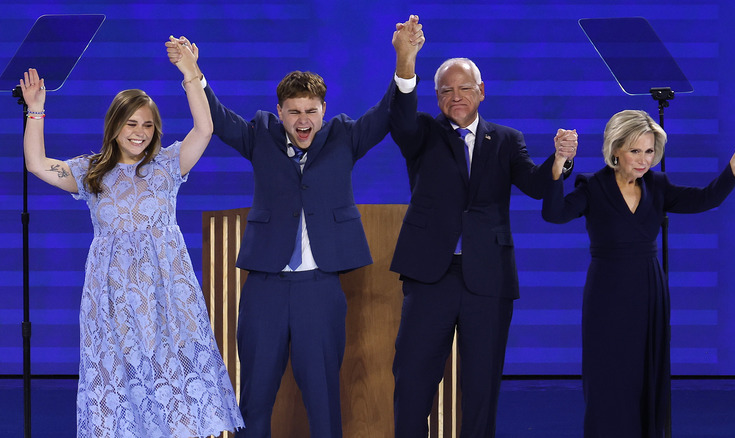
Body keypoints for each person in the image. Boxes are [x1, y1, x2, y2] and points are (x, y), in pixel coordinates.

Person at [165, 16, 425, 438]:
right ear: (281, 112)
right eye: (294, 112)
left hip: (319, 289)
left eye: (311, 111)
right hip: (264, 287)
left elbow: (389, 113)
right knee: (254, 400)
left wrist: (405, 61)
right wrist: (192, 73)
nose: (303, 120)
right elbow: (217, 116)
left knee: (323, 399)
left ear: (323, 110)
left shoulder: (345, 136)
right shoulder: (260, 136)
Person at [19, 37, 244, 438]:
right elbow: (36, 164)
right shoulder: (91, 172)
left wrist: (190, 72)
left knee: (170, 375)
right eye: (131, 123)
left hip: (166, 296)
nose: (139, 132)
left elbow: (205, 128)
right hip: (112, 298)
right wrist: (36, 109)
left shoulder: (168, 165)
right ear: (115, 125)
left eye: (147, 124)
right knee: (119, 379)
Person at [388, 22, 579, 437]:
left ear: (481, 91)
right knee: (413, 379)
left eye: (464, 88)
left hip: (488, 278)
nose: (455, 97)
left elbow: (534, 185)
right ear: (437, 97)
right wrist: (406, 60)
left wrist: (560, 162)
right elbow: (399, 121)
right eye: (445, 91)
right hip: (430, 277)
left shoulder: (507, 140)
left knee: (482, 385)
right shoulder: (422, 133)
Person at [541, 109, 735, 437]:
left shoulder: (658, 186)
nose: (644, 159)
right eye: (635, 151)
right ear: (615, 149)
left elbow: (707, 198)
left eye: (649, 151)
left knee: (646, 376)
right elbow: (554, 214)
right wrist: (559, 163)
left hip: (649, 292)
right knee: (608, 377)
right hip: (607, 293)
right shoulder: (592, 187)